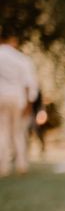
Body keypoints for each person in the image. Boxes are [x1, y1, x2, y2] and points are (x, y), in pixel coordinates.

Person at [0, 35, 38, 177]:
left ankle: (3, 167)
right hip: (17, 98)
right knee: (17, 132)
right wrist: (29, 103)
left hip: (2, 97)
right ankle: (22, 164)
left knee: (2, 132)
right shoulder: (21, 59)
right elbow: (29, 82)